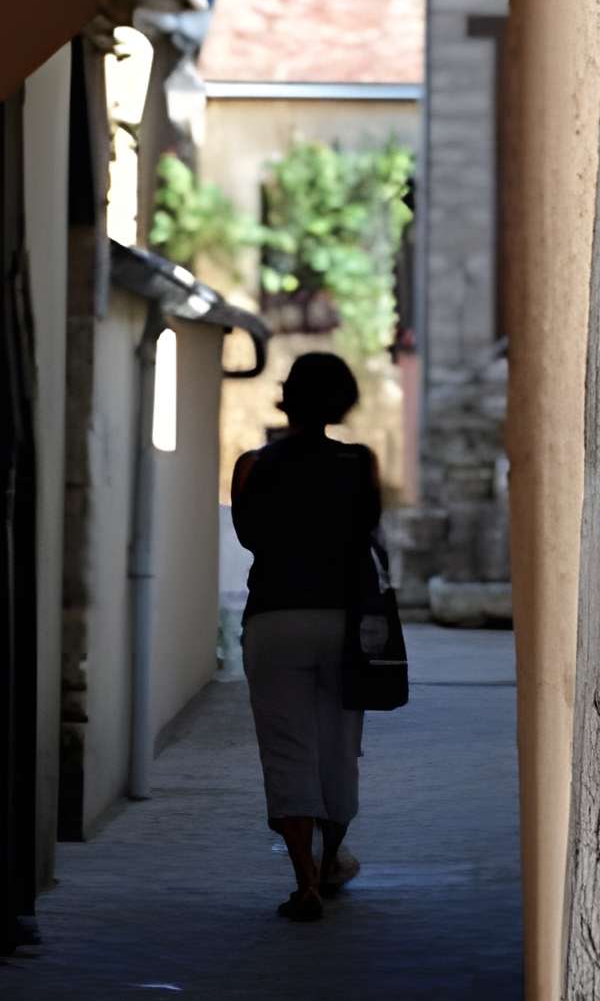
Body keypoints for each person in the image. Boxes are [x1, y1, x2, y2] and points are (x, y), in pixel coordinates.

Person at [232, 353, 382, 922]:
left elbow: (249, 539)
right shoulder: (359, 464)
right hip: (342, 620)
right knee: (339, 746)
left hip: (272, 620)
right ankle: (330, 858)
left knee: (286, 748)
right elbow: (367, 531)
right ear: (342, 401)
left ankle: (305, 884)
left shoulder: (251, 466)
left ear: (286, 399)